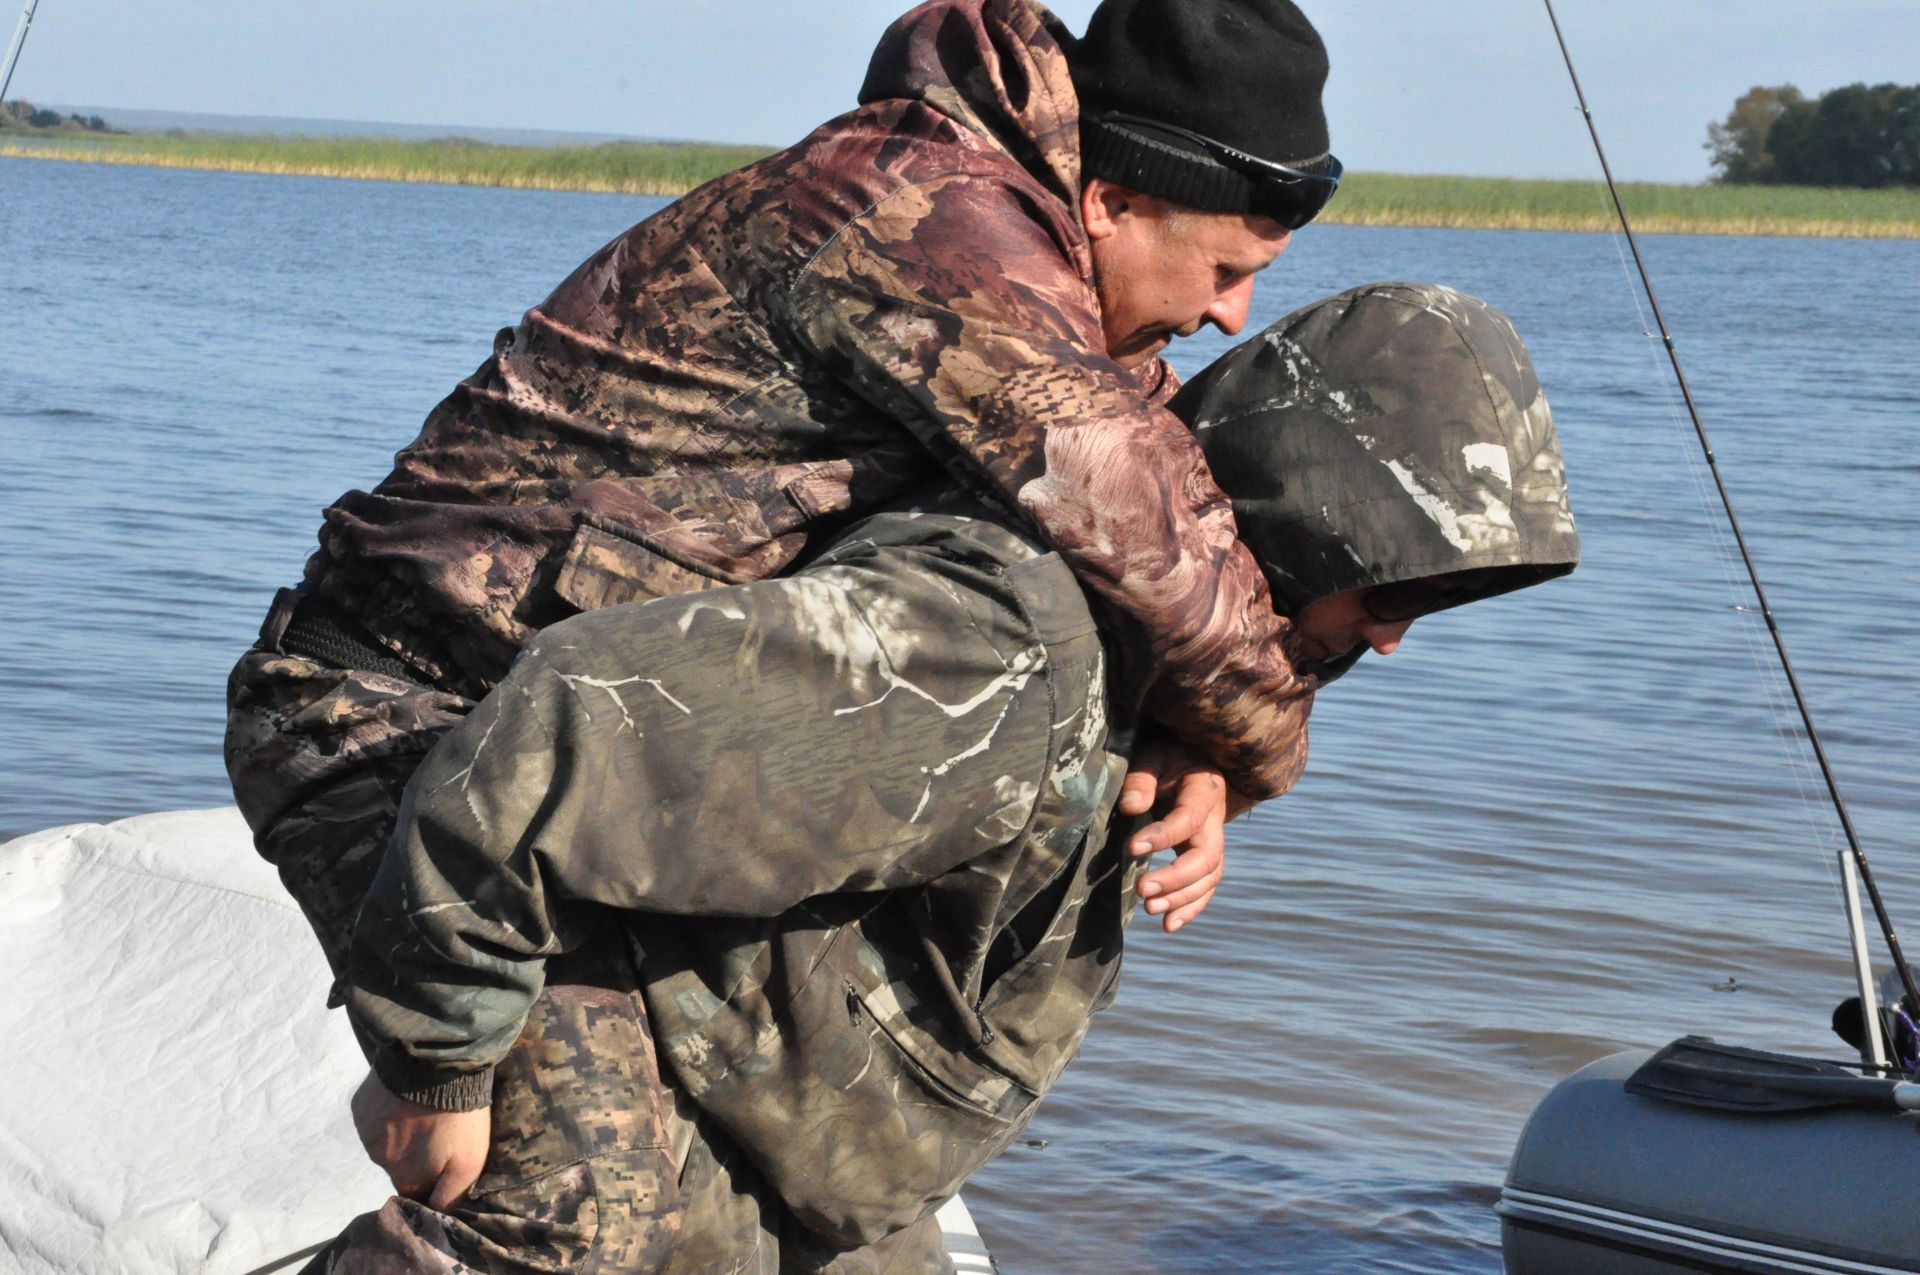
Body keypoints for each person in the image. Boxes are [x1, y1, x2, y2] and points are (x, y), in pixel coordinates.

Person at [317, 283, 1580, 1272]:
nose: (1400, 636)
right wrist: (440, 1064)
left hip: (812, 1144)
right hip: (669, 1062)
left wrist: (1218, 752)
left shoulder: (1158, 659)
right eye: (1401, 588)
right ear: (1307, 513)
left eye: (1443, 603)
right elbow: (569, 730)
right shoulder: (996, 648)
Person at [224, 0, 1348, 1025]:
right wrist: (1256, 753)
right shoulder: (933, 226)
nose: (1230, 316)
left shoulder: (1041, 277)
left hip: (576, 755)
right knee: (563, 1195)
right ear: (1113, 203)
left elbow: (1164, 517)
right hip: (390, 718)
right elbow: (1147, 534)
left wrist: (1192, 743)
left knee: (743, 1174)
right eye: (1226, 270)